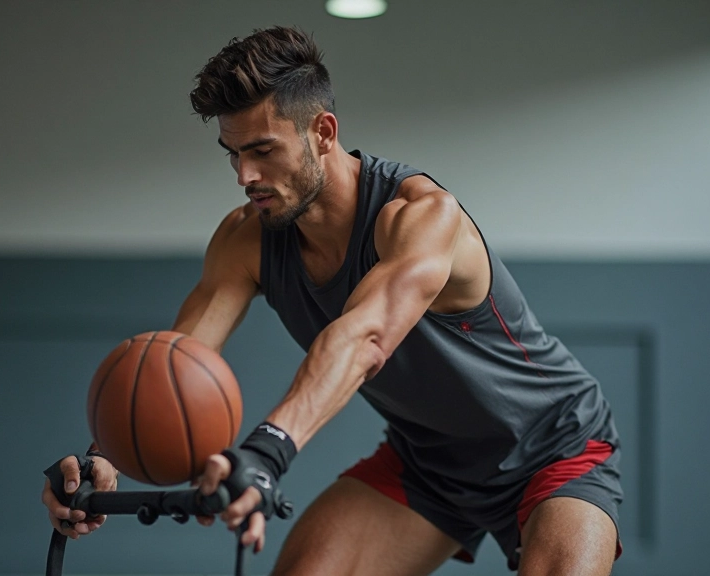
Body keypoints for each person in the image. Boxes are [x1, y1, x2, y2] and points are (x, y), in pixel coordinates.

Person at [42, 26, 623, 575]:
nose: (245, 175)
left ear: (322, 132)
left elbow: (364, 337)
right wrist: (104, 457)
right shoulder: (247, 238)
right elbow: (172, 363)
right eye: (233, 153)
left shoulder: (421, 217)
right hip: (430, 464)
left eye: (264, 150)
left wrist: (265, 453)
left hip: (553, 446)